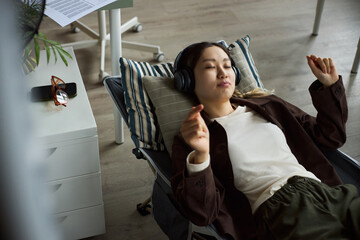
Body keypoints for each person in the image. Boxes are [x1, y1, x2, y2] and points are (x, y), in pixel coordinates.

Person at [170, 42, 360, 240]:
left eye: (227, 66)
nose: (223, 73)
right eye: (210, 67)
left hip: (329, 193)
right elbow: (202, 212)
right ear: (188, 80)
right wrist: (200, 155)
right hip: (283, 210)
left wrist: (329, 86)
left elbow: (331, 137)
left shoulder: (268, 105)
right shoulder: (192, 138)